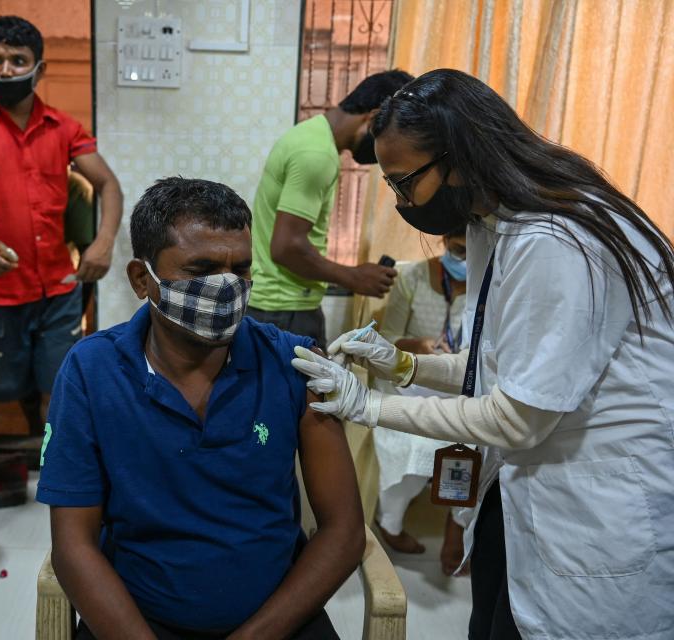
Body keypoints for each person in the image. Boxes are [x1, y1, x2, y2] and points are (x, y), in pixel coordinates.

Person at [292, 69, 674, 640]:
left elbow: (516, 416)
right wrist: (406, 366)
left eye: (403, 182)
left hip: (595, 509)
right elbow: (496, 364)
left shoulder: (556, 239)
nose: (401, 202)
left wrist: (367, 404)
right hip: (527, 494)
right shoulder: (498, 224)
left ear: (459, 155)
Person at [37, 177, 364, 640]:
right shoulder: (92, 372)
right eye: (203, 268)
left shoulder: (296, 366)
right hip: (138, 620)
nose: (227, 287)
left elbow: (344, 533)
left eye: (241, 268)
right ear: (140, 279)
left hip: (276, 622)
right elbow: (73, 546)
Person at [0, 15, 123, 429]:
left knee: (60, 386)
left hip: (57, 287)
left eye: (17, 60)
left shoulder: (63, 127)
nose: (4, 70)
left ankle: (54, 474)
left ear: (39, 69)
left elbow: (108, 184)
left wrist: (103, 243)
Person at [246, 70, 413, 346]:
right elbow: (286, 246)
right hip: (284, 310)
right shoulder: (317, 154)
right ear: (373, 118)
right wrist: (354, 277)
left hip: (279, 306)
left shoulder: (309, 137)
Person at [368, 229, 469, 564]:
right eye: (457, 248)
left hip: (459, 381)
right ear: (443, 240)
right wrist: (419, 347)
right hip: (410, 374)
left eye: (472, 251)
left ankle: (457, 527)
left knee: (476, 441)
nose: (464, 259)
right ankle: (391, 523)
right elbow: (389, 340)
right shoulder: (411, 277)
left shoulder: (490, 283)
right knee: (412, 440)